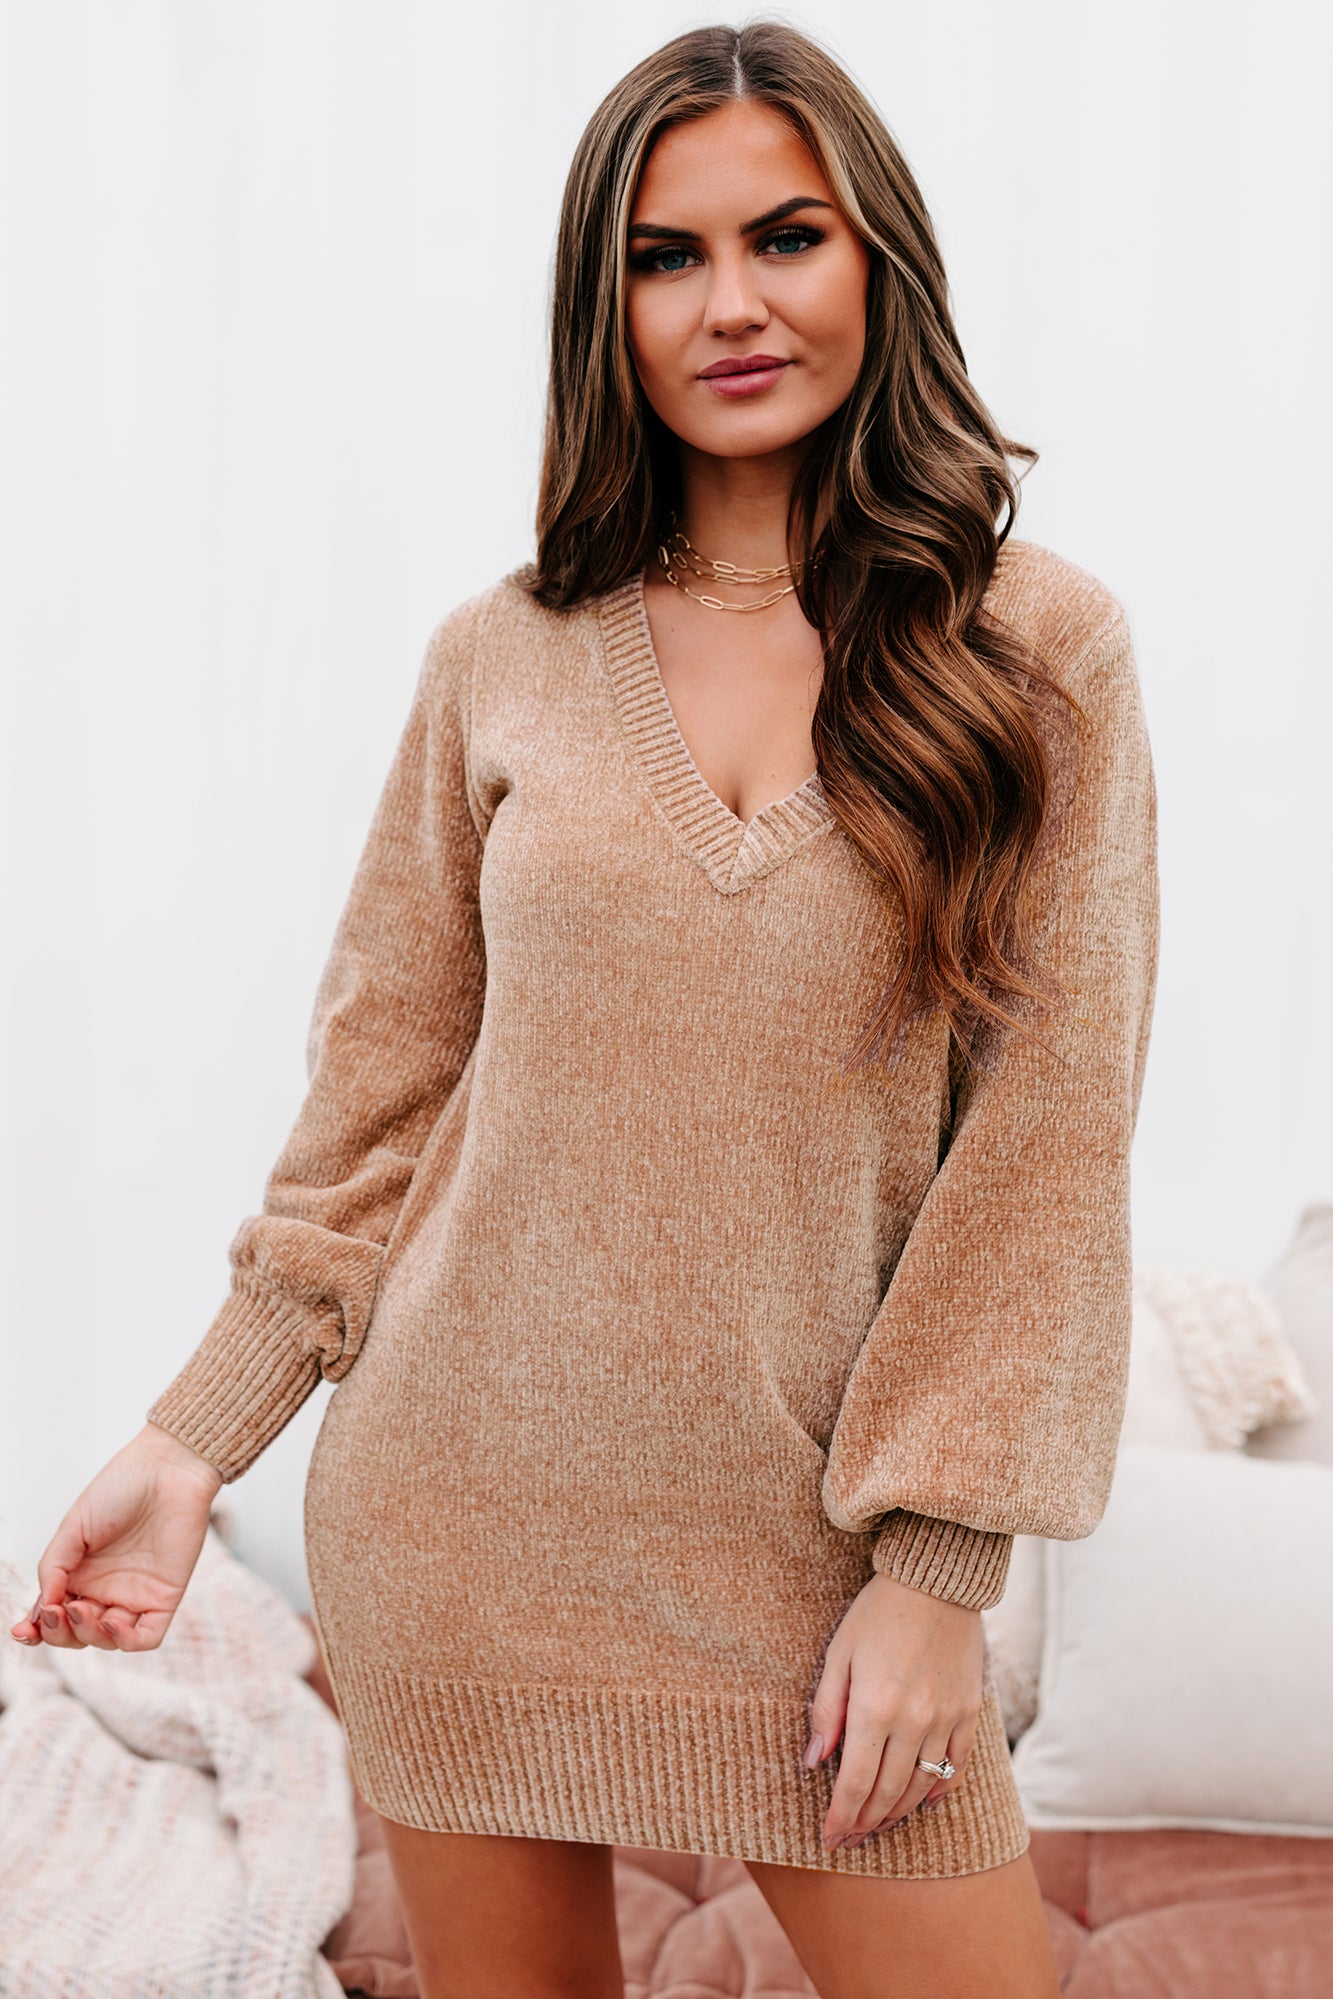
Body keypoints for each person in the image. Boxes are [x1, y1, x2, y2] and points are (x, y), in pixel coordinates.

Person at [10, 21, 1159, 1999]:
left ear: (875, 258)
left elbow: (1048, 1145)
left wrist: (935, 1567)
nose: (731, 304)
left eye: (783, 236)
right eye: (663, 257)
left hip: (814, 1564)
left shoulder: (1036, 652)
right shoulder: (503, 657)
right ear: (600, 308)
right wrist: (195, 1440)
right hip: (458, 1523)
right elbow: (382, 1095)